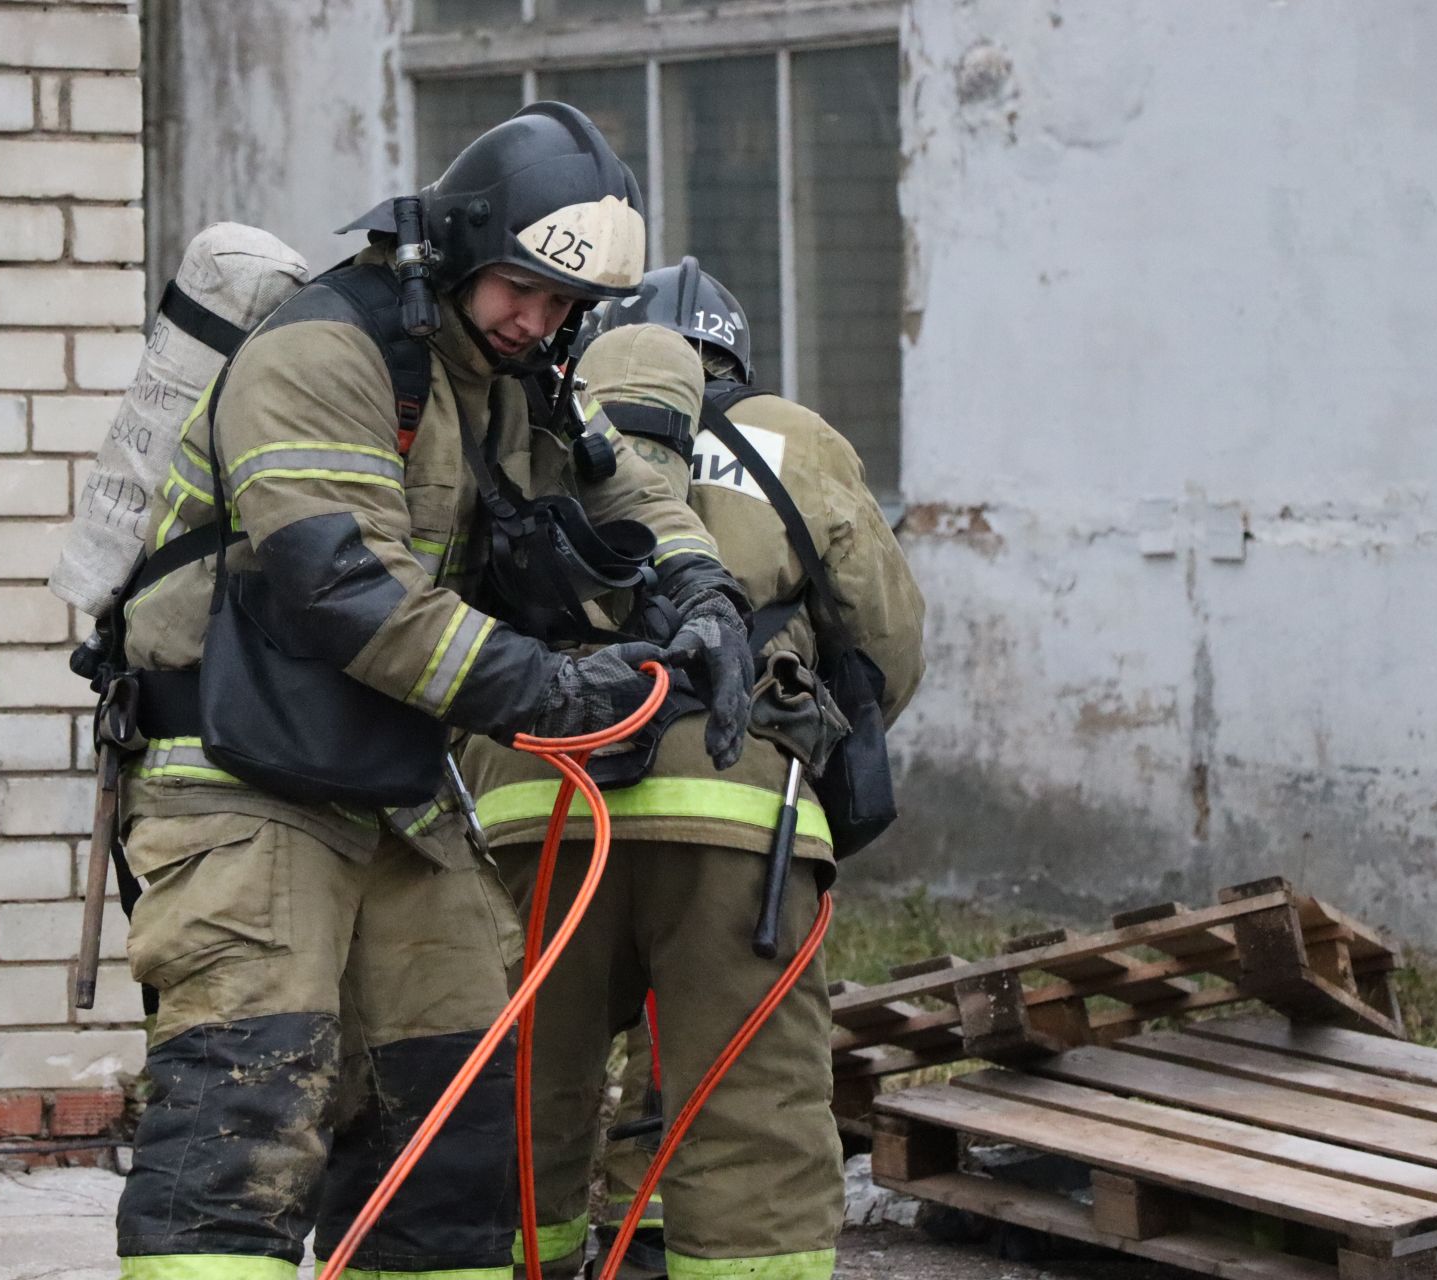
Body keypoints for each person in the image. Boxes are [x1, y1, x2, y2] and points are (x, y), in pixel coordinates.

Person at [111, 109, 755, 1280]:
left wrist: (705, 590)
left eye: (565, 308)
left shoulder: (512, 373)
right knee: (248, 1111)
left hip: (394, 781)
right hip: (242, 781)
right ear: (460, 245)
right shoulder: (322, 354)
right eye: (523, 288)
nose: (539, 323)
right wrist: (552, 685)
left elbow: (629, 492)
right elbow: (345, 589)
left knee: (454, 1122)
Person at [459, 258, 926, 1280]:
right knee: (749, 1101)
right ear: (733, 355)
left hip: (537, 800)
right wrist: (803, 741)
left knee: (521, 1091)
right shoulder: (794, 440)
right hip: (739, 822)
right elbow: (888, 639)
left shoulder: (525, 421)